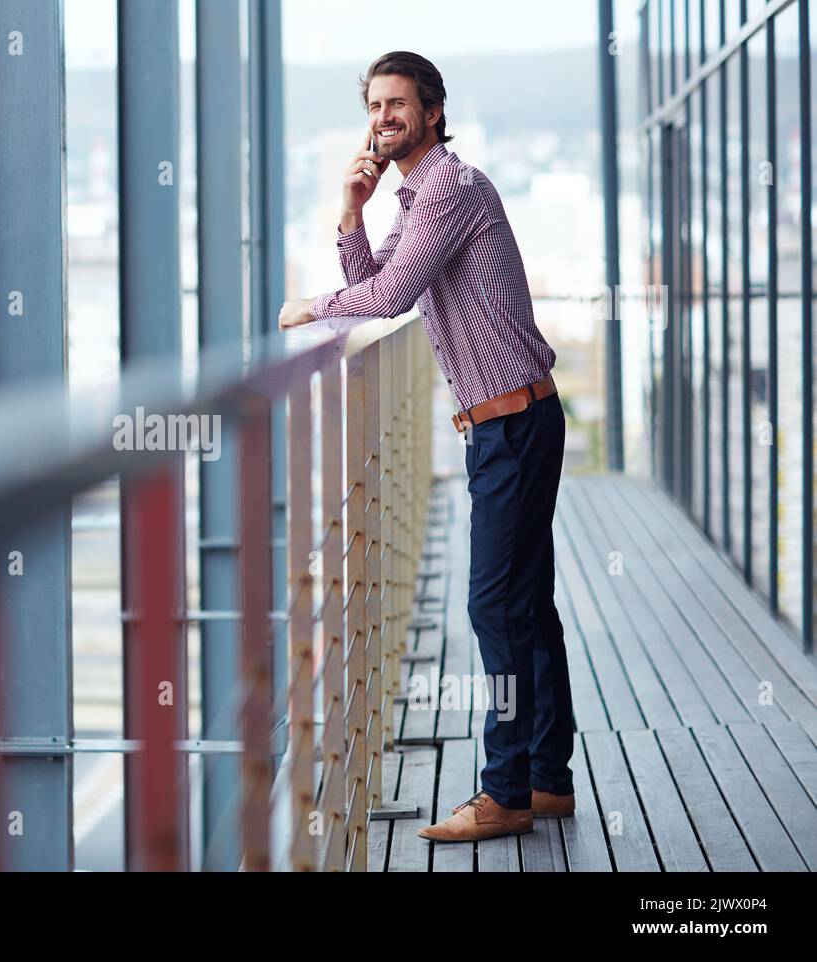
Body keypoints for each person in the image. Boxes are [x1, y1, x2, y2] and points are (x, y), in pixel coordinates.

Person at [279, 51, 575, 843]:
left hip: (511, 424)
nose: (384, 118)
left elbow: (386, 297)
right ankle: (548, 778)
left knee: (495, 605)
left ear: (434, 111)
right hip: (511, 421)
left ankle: (506, 789)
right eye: (375, 106)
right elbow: (377, 279)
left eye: (399, 104)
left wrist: (310, 307)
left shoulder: (447, 187)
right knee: (526, 603)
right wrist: (352, 213)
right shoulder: (418, 196)